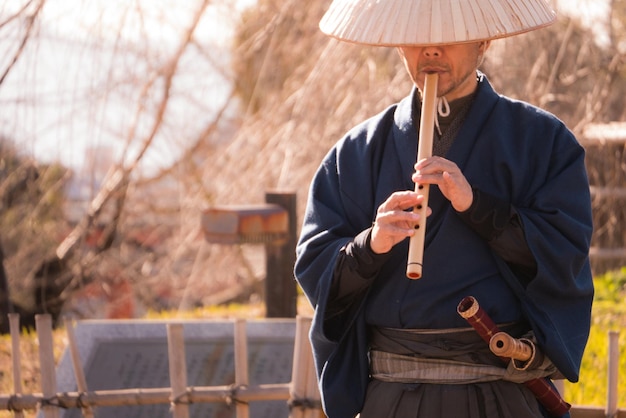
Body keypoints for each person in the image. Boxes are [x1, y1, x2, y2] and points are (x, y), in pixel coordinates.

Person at [294, 0, 594, 417]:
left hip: (499, 391)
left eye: (448, 37)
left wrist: (479, 208)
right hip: (394, 395)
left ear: (483, 42)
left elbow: (565, 254)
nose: (431, 51)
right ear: (399, 47)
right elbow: (316, 268)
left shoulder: (542, 142)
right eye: (417, 40)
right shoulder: (356, 154)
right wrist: (371, 244)